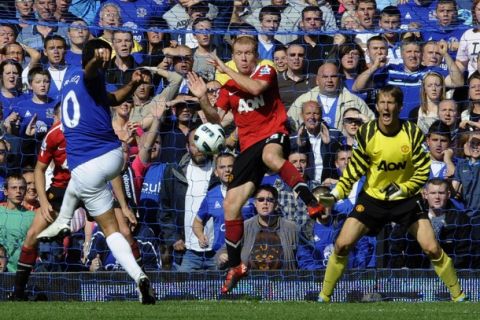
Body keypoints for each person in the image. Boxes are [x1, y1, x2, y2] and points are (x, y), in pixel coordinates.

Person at [187, 36, 325, 294]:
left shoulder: (266, 68)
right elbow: (217, 121)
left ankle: (311, 202)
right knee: (231, 204)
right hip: (249, 148)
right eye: (239, 53)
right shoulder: (228, 88)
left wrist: (225, 69)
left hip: (274, 134)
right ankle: (237, 265)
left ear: (255, 54)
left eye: (248, 53)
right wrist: (203, 98)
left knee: (272, 157)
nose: (244, 58)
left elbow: (257, 89)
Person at [317, 85, 467, 302]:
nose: (386, 108)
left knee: (432, 248)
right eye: (382, 103)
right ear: (376, 106)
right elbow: (353, 170)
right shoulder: (367, 132)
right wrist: (336, 194)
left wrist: (404, 188)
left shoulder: (412, 132)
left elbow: (422, 169)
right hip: (372, 199)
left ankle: (458, 296)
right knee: (341, 244)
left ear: (399, 106)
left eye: (391, 103)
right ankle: (324, 296)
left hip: (405, 201)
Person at [35, 39, 155, 304]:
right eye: (104, 56)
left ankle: (64, 220)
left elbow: (104, 90)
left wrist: (127, 82)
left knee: (79, 181)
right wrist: (99, 66)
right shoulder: (90, 74)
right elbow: (102, 88)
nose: (106, 60)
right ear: (93, 58)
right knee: (111, 228)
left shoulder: (70, 79)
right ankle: (140, 279)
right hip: (113, 156)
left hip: (89, 162)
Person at [388, 178, 473, 269]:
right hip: (415, 274)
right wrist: (400, 267)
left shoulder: (461, 219)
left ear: (448, 194)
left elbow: (464, 252)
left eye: (441, 193)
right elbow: (395, 244)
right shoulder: (410, 217)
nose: (437, 197)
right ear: (425, 194)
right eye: (433, 193)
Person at [242, 184, 298, 270]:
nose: (265, 203)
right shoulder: (245, 227)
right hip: (250, 280)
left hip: (283, 280)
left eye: (270, 200)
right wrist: (223, 255)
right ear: (255, 203)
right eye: (261, 200)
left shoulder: (291, 228)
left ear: (275, 204)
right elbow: (226, 249)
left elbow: (304, 255)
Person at [0, 174, 35, 274]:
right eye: (14, 188)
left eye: (22, 188)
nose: (18, 191)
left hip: (20, 273)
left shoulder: (32, 217)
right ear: (6, 191)